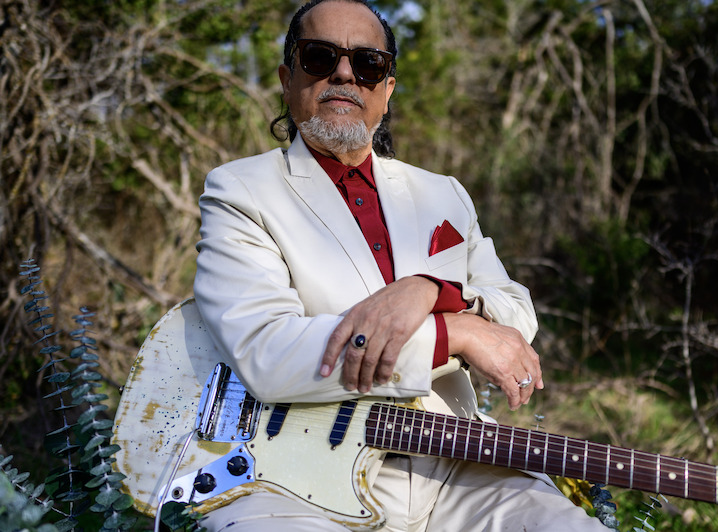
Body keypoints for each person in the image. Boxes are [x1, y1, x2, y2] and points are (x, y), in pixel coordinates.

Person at [193, 0, 609, 530]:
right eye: (320, 57)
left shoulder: (444, 193)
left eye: (368, 63)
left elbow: (515, 311)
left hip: (459, 463)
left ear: (387, 90)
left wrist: (432, 290)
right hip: (294, 480)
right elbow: (267, 351)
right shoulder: (242, 190)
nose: (345, 74)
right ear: (287, 78)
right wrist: (453, 333)